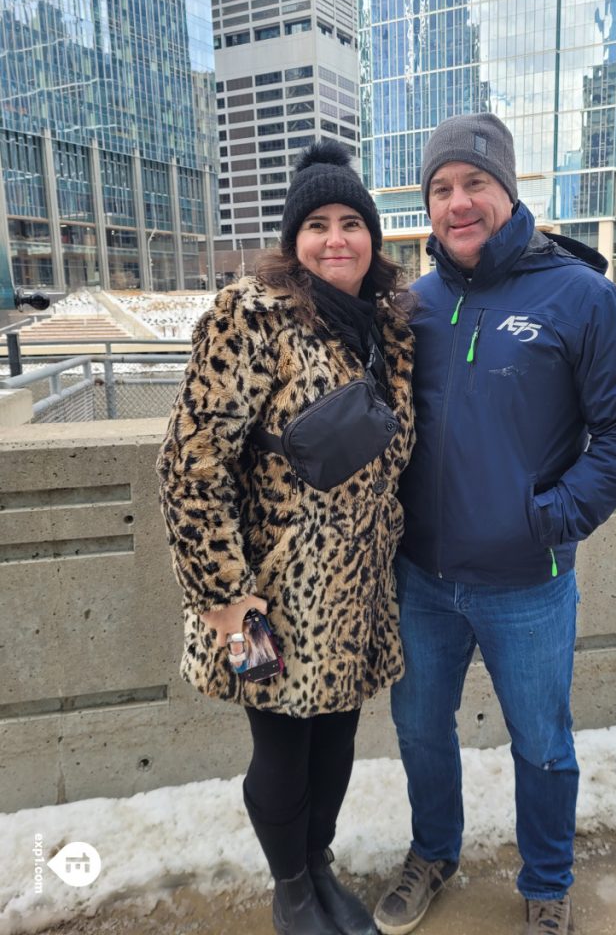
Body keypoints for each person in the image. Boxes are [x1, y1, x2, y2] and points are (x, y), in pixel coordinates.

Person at [372, 113, 616, 935]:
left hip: (527, 585)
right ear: (427, 204)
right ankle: (434, 851)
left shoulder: (582, 296)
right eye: (441, 189)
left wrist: (553, 518)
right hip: (421, 581)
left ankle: (546, 884)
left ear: (508, 189)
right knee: (420, 731)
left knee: (542, 742)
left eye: (475, 184)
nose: (459, 203)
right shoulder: (412, 305)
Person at [157, 139, 415, 935]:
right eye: (317, 224)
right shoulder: (250, 318)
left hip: (358, 590)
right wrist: (227, 599)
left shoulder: (387, 329)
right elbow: (190, 465)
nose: (336, 239)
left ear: (373, 237)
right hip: (273, 590)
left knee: (335, 744)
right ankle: (291, 887)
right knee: (282, 753)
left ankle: (320, 864)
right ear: (291, 240)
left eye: (351, 222)